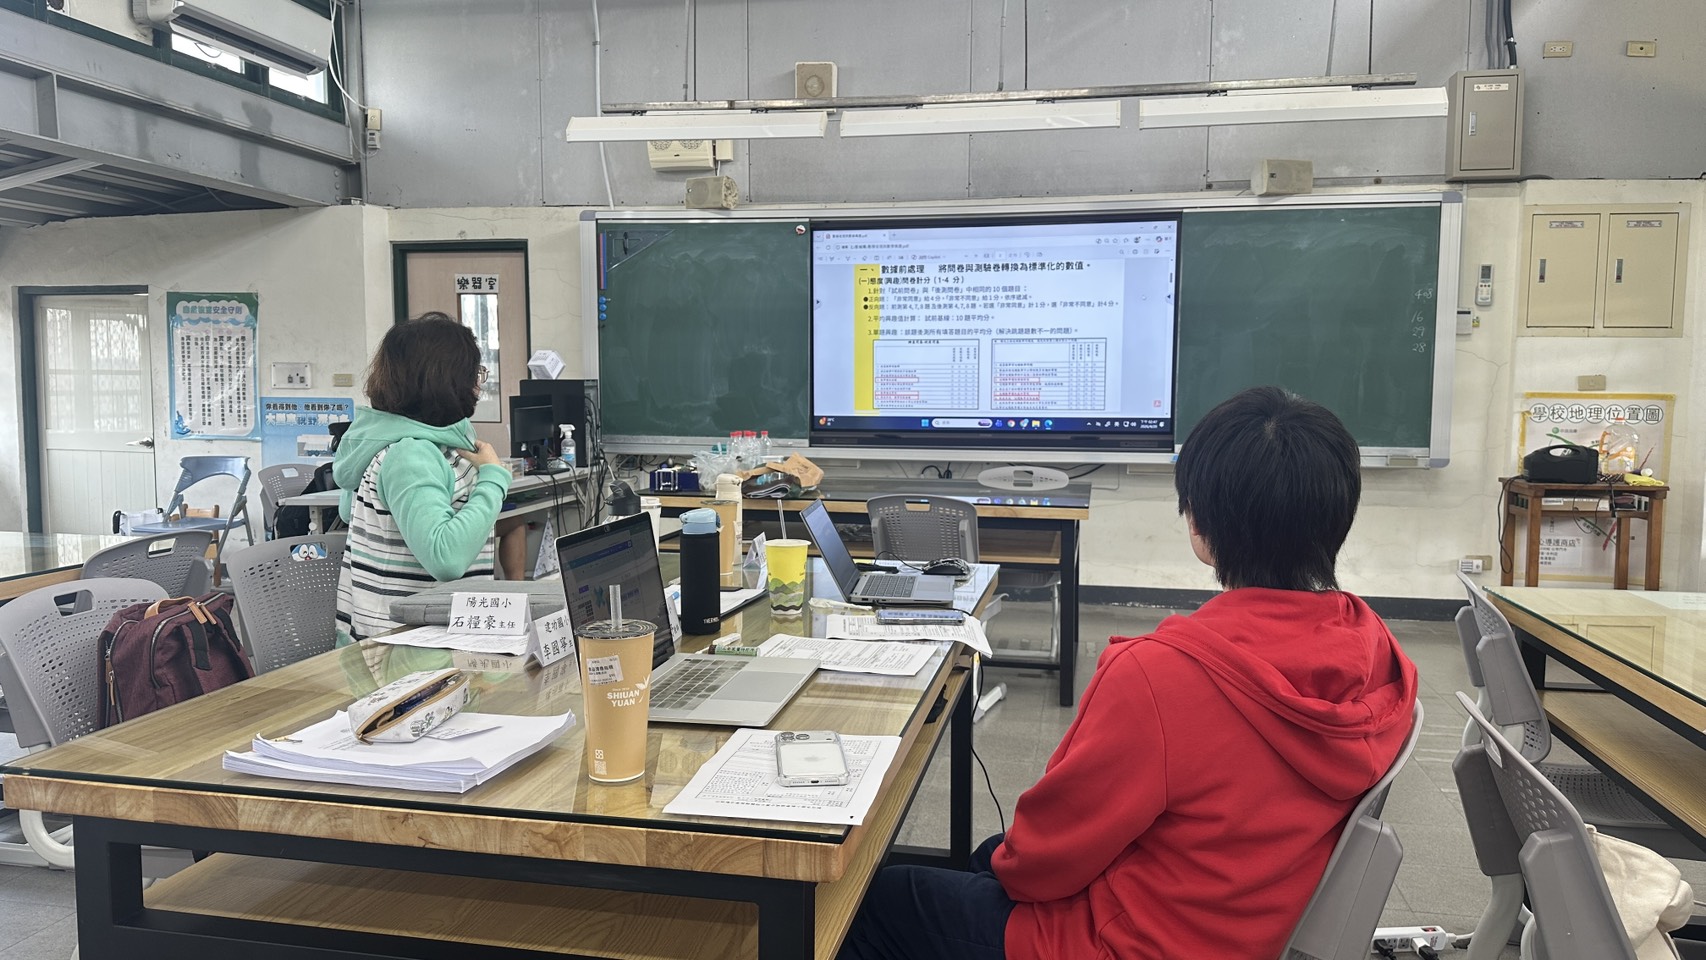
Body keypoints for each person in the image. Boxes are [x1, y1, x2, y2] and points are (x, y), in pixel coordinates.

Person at [839, 386, 1419, 960]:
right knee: (985, 858)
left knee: (883, 899)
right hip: (1245, 917)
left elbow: (1045, 862)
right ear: (1339, 515)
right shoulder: (1380, 653)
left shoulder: (1158, 677)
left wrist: (1007, 867)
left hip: (1130, 941)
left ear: (1200, 527)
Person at [334, 313, 513, 642]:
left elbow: (351, 512)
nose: (478, 383)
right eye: (474, 372)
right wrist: (493, 478)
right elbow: (446, 558)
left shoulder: (414, 440)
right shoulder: (411, 454)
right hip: (403, 646)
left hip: (431, 633)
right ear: (445, 380)